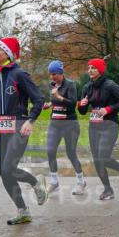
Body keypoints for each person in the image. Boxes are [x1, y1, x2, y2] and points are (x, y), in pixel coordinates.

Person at [0, 37, 48, 225]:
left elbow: (39, 99)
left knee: (9, 168)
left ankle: (36, 183)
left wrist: (30, 121)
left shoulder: (19, 74)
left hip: (19, 127)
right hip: (0, 130)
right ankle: (23, 211)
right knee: (4, 172)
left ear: (8, 53)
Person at [77, 59, 119, 201]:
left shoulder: (110, 85)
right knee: (97, 160)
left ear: (100, 70)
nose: (90, 70)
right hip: (94, 126)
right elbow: (82, 111)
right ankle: (108, 189)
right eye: (89, 67)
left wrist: (108, 109)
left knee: (103, 157)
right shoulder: (87, 87)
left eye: (93, 68)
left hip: (110, 125)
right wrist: (82, 104)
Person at [43, 60, 86, 195]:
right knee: (50, 151)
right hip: (55, 123)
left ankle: (81, 182)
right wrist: (50, 104)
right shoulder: (51, 85)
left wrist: (58, 97)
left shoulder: (70, 84)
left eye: (54, 74)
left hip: (69, 124)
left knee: (71, 153)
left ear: (61, 73)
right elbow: (55, 100)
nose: (52, 77)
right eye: (50, 74)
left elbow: (72, 104)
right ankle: (54, 182)